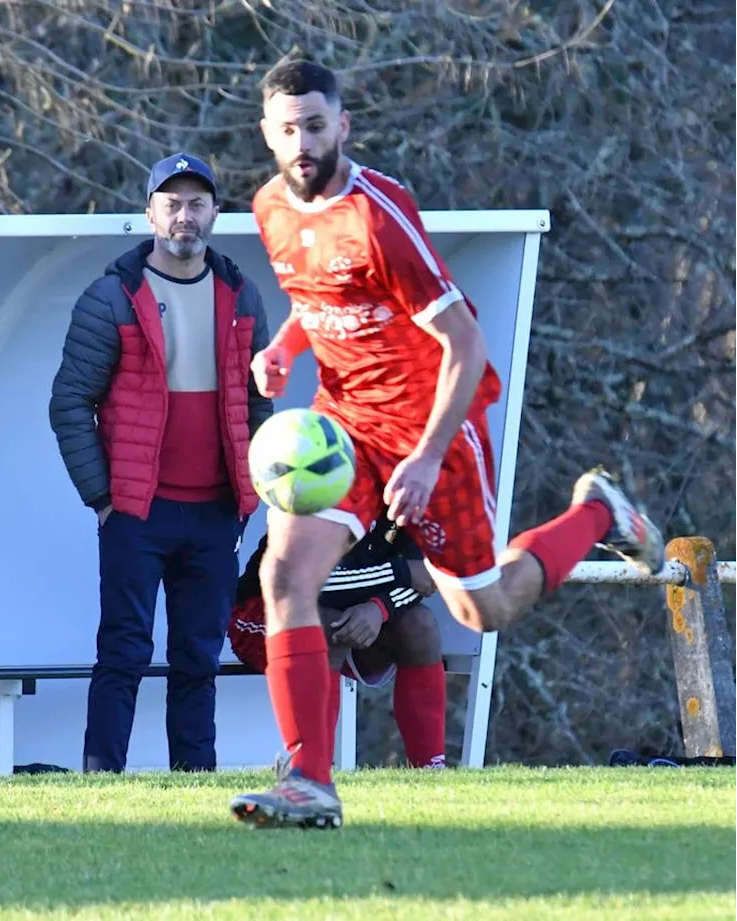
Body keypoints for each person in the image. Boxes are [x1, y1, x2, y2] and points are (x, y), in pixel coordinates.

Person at [230, 58, 665, 828]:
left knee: (480, 608)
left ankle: (596, 513)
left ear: (344, 126)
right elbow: (322, 296)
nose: (303, 142)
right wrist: (287, 351)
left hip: (436, 425)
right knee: (285, 574)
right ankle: (308, 779)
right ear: (268, 133)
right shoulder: (269, 208)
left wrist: (428, 456)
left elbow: (464, 342)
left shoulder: (378, 216)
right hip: (344, 423)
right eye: (288, 129)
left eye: (317, 126)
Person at [49, 153, 274, 772]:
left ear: (215, 214)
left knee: (199, 658)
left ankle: (196, 781)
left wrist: (252, 493)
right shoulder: (113, 296)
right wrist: (103, 500)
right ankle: (101, 778)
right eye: (171, 203)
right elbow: (69, 403)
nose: (184, 215)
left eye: (196, 203)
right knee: (123, 650)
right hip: (136, 511)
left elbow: (258, 405)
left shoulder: (241, 294)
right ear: (149, 213)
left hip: (216, 514)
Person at [228, 521, 448, 771]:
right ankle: (314, 767)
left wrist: (380, 607)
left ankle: (429, 767)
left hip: (349, 612)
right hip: (264, 616)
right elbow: (312, 586)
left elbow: (426, 579)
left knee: (420, 625)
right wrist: (401, 571)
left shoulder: (407, 497)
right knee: (327, 629)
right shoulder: (318, 494)